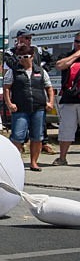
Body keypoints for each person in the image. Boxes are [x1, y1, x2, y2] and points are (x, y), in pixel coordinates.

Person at [3, 44, 54, 171]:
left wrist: (50, 102)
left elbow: (49, 88)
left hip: (38, 108)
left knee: (37, 137)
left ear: (32, 56)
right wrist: (9, 103)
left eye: (25, 56)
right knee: (17, 136)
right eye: (19, 57)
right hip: (20, 109)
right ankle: (14, 163)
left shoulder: (41, 71)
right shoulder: (13, 71)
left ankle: (34, 163)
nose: (22, 59)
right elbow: (6, 88)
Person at [52, 31, 80, 166]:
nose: (78, 44)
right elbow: (60, 65)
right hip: (69, 98)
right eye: (77, 41)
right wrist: (77, 54)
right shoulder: (67, 56)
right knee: (66, 129)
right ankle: (62, 158)